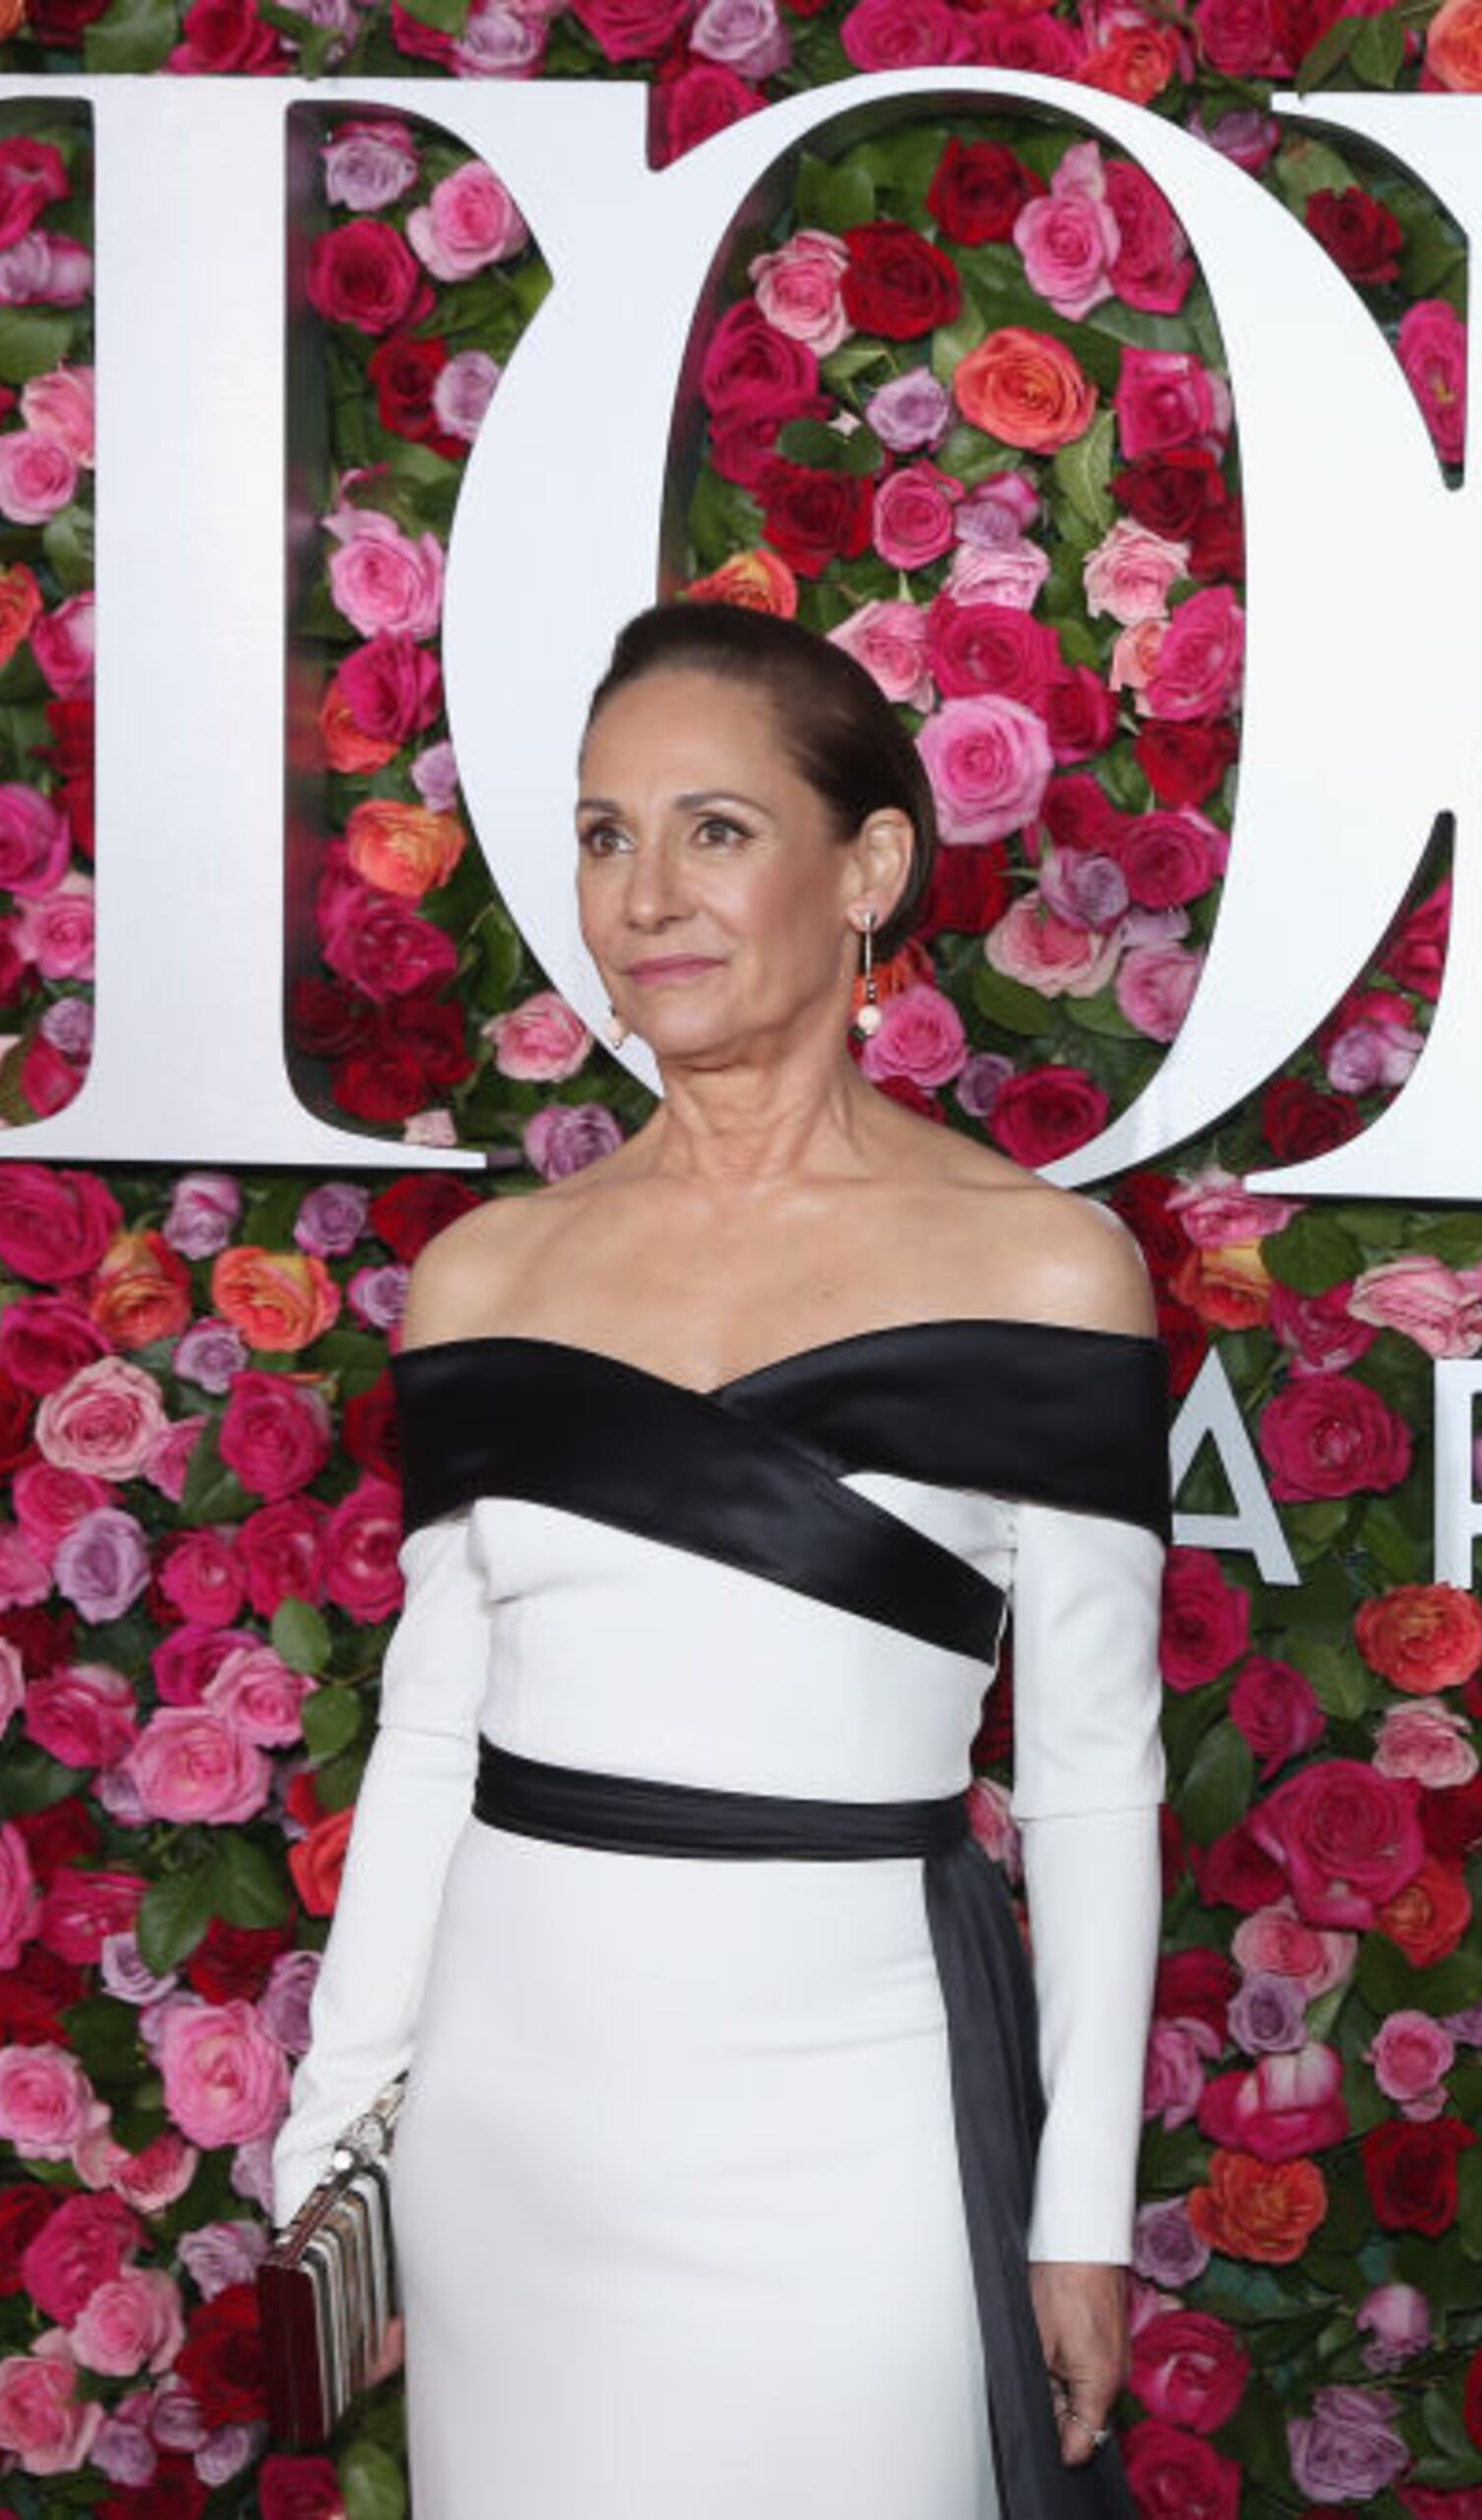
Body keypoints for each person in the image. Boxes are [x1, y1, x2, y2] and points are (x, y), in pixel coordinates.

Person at [267, 597, 1168, 2518]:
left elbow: (1091, 1782)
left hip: (853, 2125)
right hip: (511, 2142)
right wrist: (338, 2138)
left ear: (872, 870)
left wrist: (1075, 2212)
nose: (647, 895)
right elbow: (431, 1741)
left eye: (716, 830)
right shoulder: (486, 1277)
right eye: (605, 835)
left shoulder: (1045, 1270)